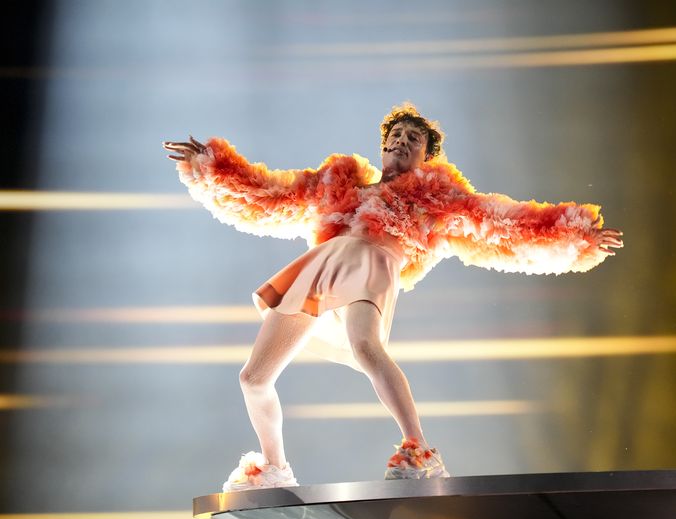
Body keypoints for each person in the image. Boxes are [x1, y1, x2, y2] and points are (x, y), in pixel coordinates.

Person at [163, 103, 623, 492]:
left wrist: (573, 233)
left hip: (372, 263)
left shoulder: (433, 197)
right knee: (253, 378)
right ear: (383, 144)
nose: (403, 141)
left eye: (414, 139)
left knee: (367, 347)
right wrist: (211, 164)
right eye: (397, 135)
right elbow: (271, 194)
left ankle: (419, 450)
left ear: (425, 156)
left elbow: (498, 220)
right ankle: (275, 468)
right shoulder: (336, 185)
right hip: (322, 267)